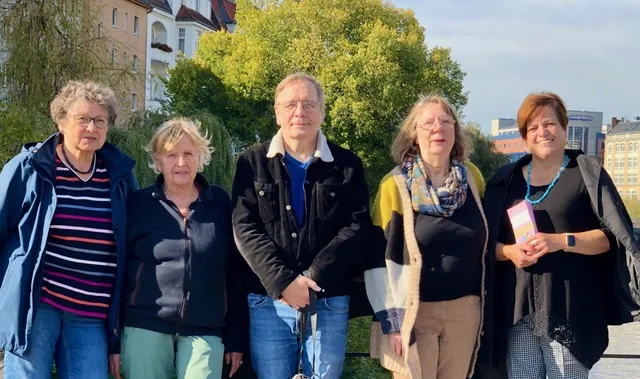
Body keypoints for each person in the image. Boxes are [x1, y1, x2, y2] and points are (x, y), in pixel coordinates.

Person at [484, 92, 640, 379]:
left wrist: (561, 241)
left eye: (550, 124)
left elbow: (611, 239)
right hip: (518, 310)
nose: (542, 132)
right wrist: (509, 251)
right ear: (524, 136)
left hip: (569, 308)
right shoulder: (505, 181)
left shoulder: (586, 175)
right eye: (533, 128)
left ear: (564, 128)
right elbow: (483, 244)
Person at [231, 72, 372, 378]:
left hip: (328, 298)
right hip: (269, 300)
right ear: (277, 112)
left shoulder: (348, 166)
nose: (300, 112)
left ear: (322, 112)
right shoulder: (251, 163)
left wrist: (312, 279)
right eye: (291, 104)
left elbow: (357, 226)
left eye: (309, 104)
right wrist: (284, 282)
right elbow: (245, 228)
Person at [0, 81, 137, 379]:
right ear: (61, 122)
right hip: (37, 308)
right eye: (83, 119)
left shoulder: (120, 175)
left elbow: (130, 242)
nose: (92, 127)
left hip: (91, 313)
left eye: (100, 121)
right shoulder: (30, 168)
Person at [365, 94, 489, 379]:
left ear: (456, 131)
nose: (438, 129)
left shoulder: (472, 177)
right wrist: (392, 323)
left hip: (465, 313)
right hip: (413, 315)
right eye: (429, 123)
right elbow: (377, 258)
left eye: (446, 122)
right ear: (413, 135)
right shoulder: (394, 185)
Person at [119, 118, 248, 379]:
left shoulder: (221, 203)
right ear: (157, 160)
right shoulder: (138, 203)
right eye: (171, 154)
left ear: (201, 157)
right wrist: (113, 340)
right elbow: (119, 270)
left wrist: (236, 337)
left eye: (189, 153)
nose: (181, 163)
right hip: (146, 324)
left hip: (206, 328)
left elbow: (235, 273)